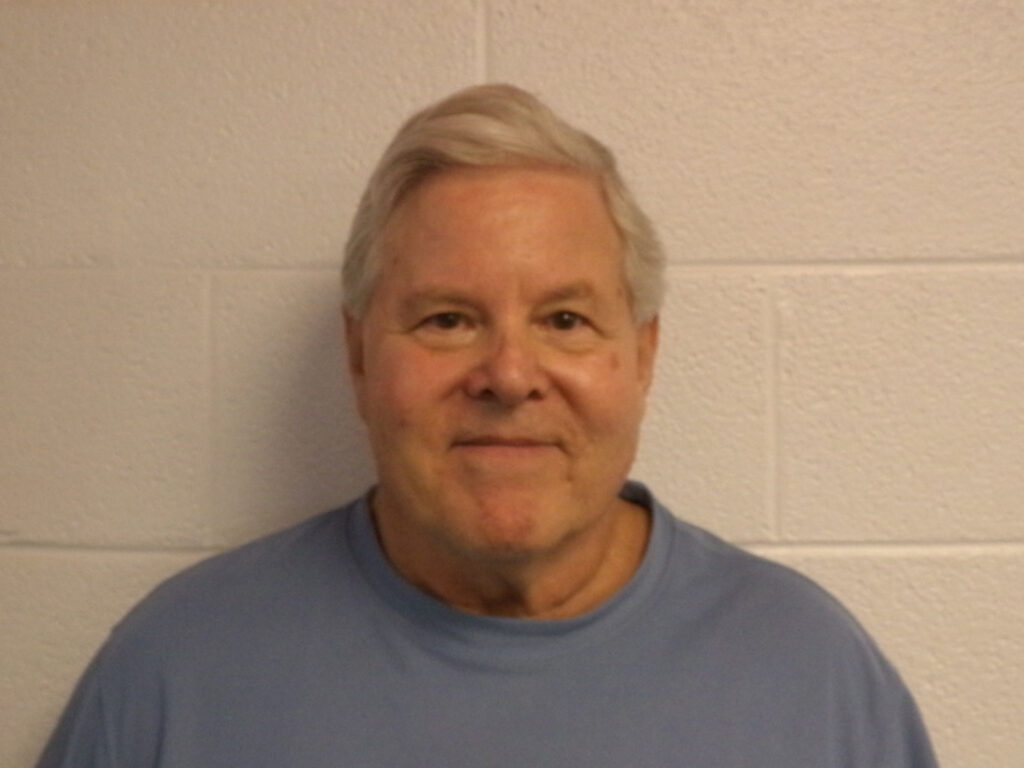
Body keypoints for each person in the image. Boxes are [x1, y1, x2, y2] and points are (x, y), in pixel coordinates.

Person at [37, 84, 938, 767]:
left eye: (565, 320)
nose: (508, 376)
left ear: (644, 356)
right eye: (447, 320)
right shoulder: (178, 674)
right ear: (359, 358)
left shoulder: (813, 680)